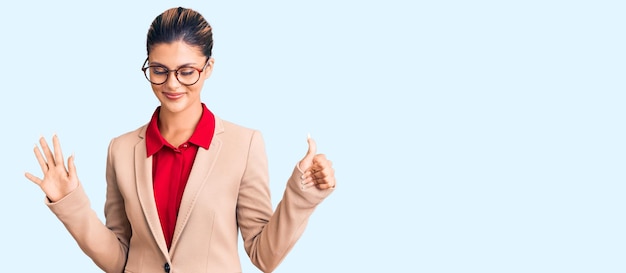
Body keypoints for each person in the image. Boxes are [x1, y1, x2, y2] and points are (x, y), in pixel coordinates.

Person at [24, 6, 335, 273]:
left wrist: (302, 193)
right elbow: (119, 259)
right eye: (159, 70)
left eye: (187, 71)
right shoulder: (120, 149)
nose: (171, 84)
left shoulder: (245, 145)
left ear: (208, 67)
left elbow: (263, 256)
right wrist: (70, 203)